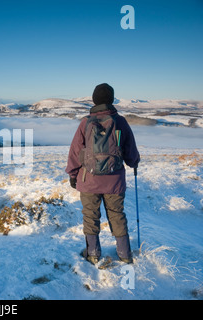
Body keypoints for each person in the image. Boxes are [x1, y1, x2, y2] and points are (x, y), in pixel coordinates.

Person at [65, 83, 140, 265]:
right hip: (114, 181)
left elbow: (75, 151)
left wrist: (73, 174)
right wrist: (134, 163)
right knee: (117, 214)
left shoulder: (85, 122)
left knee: (90, 215)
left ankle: (93, 254)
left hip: (89, 180)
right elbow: (130, 151)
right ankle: (124, 254)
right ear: (112, 100)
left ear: (94, 100)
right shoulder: (120, 121)